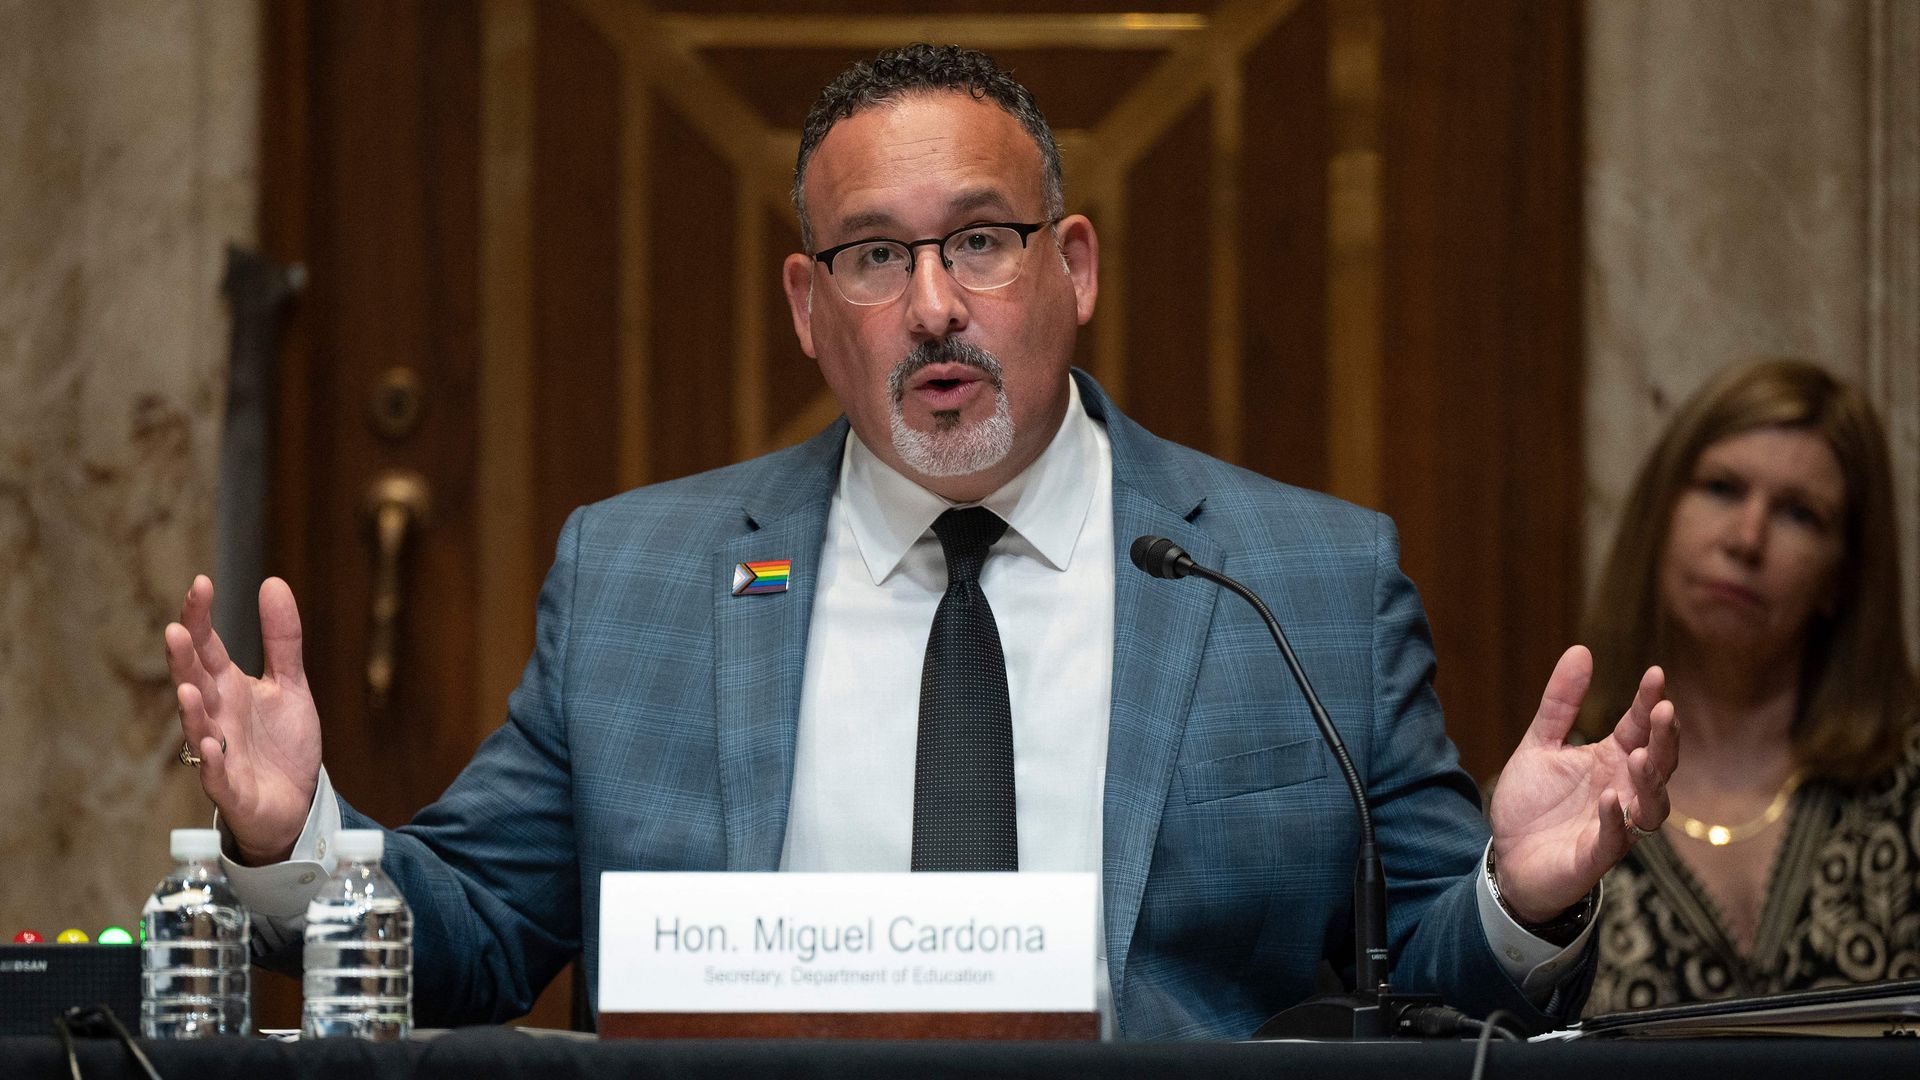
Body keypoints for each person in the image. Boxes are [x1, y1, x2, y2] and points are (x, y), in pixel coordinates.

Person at [165, 44, 1676, 1039]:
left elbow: (1433, 979)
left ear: (1070, 267)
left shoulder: (1301, 580)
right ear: (809, 308)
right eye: (875, 256)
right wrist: (295, 835)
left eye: (980, 240)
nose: (936, 303)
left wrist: (1520, 895)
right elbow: (484, 934)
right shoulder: (639, 580)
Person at [1574, 359, 1918, 1014]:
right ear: (1660, 515)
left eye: (1798, 514)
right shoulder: (1558, 800)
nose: (1747, 538)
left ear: (1842, 575)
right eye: (1723, 488)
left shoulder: (1906, 785)